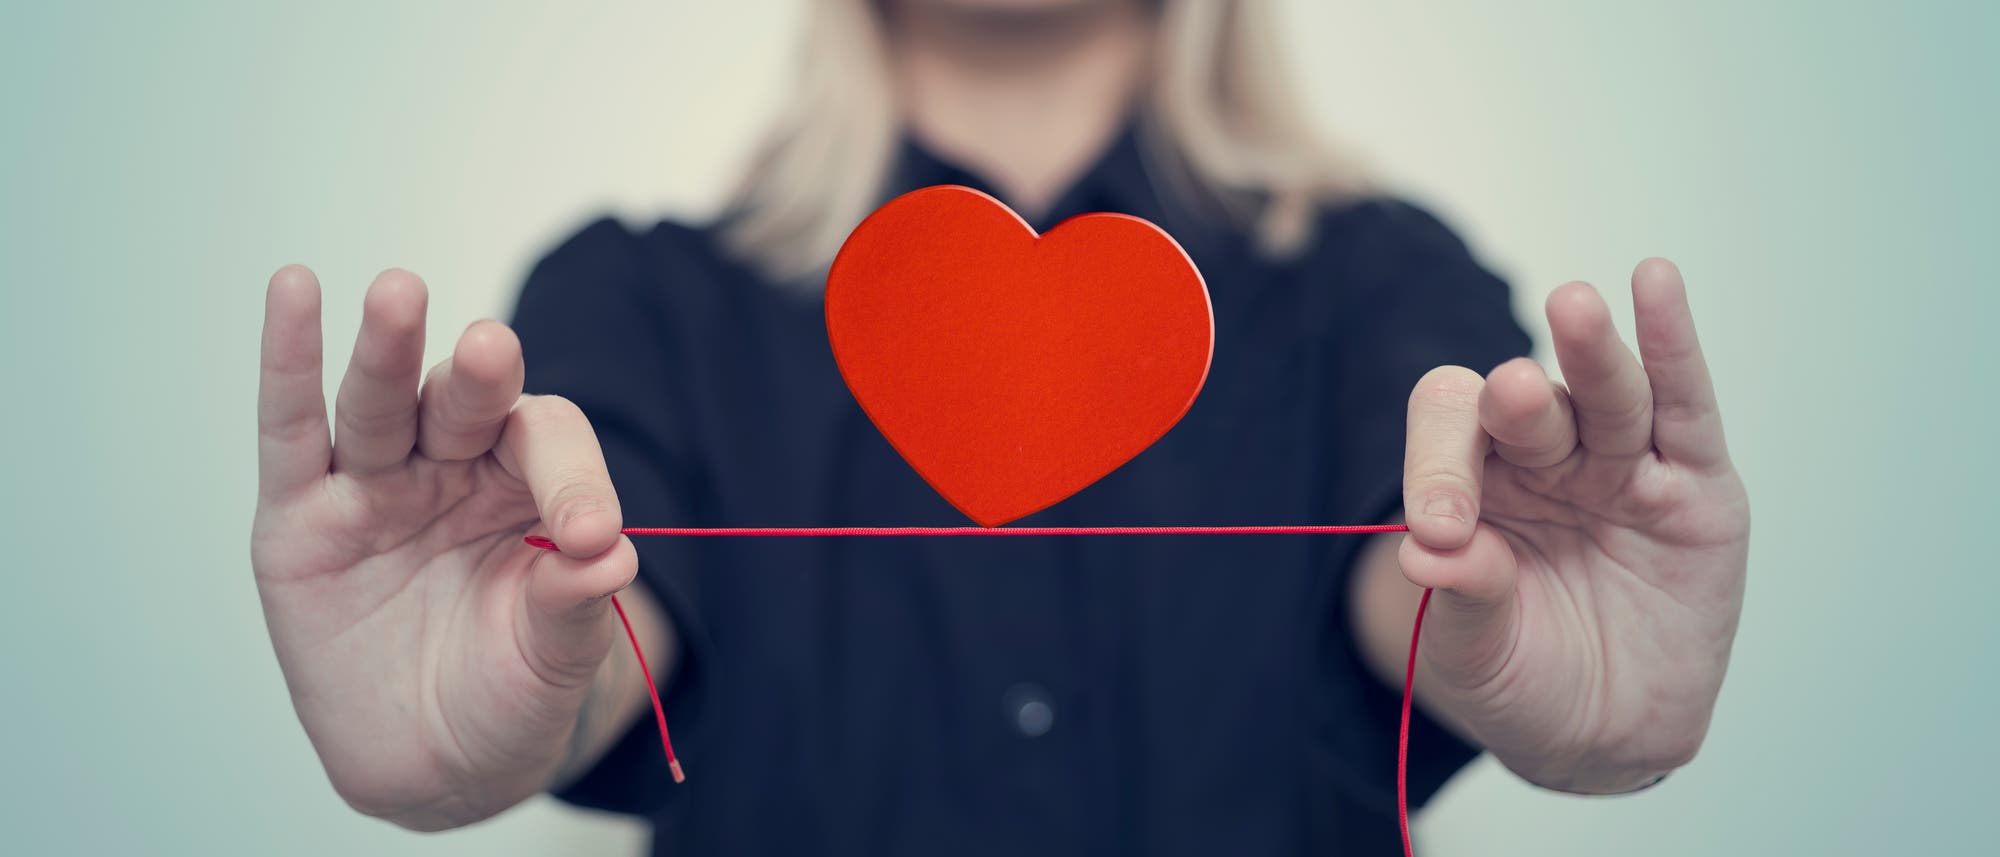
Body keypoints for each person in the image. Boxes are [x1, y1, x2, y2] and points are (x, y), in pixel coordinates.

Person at [249, 0, 1750, 854]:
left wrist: (1538, 665)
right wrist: (477, 732)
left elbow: (1429, 564)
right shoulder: (637, 301)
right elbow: (592, 611)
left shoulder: (1379, 280)